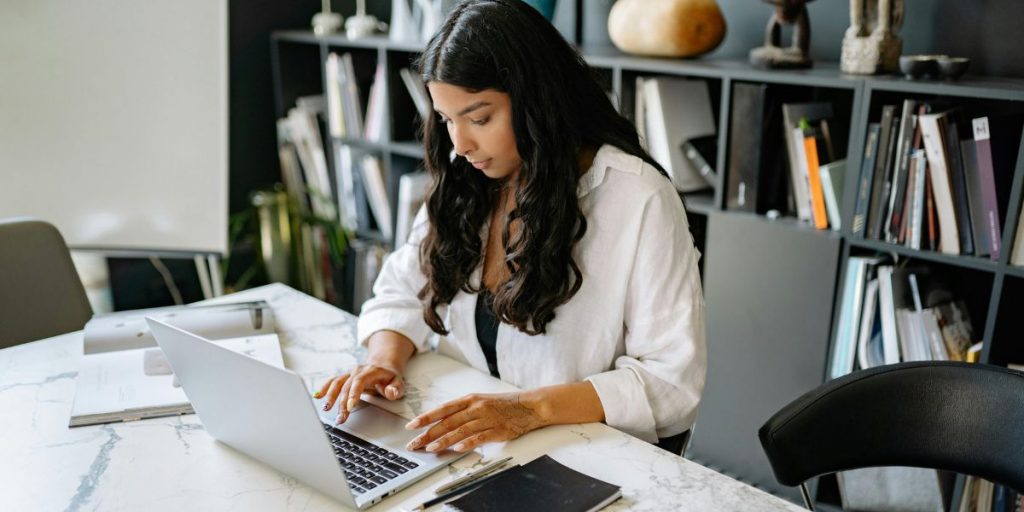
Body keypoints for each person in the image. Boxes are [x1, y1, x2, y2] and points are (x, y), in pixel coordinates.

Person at [315, 0, 706, 455]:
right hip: (470, 444)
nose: (459, 145)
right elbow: (403, 288)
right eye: (447, 120)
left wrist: (528, 410)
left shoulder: (639, 199)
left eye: (480, 118)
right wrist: (383, 360)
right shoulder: (467, 179)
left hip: (581, 455)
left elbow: (671, 381)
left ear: (537, 102)